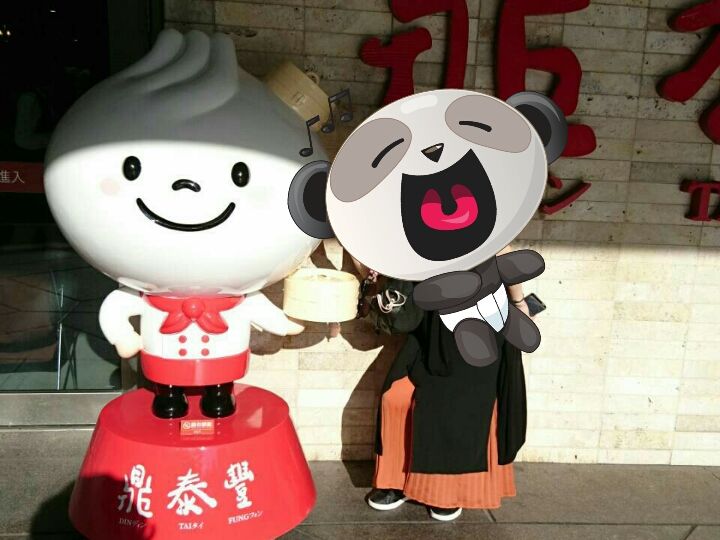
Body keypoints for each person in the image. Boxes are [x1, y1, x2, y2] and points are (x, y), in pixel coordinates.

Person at [361, 245, 534, 521]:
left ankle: (447, 491)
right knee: (395, 397)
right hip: (430, 312)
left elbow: (504, 249)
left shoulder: (480, 222)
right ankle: (396, 480)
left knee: (456, 406)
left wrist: (519, 302)